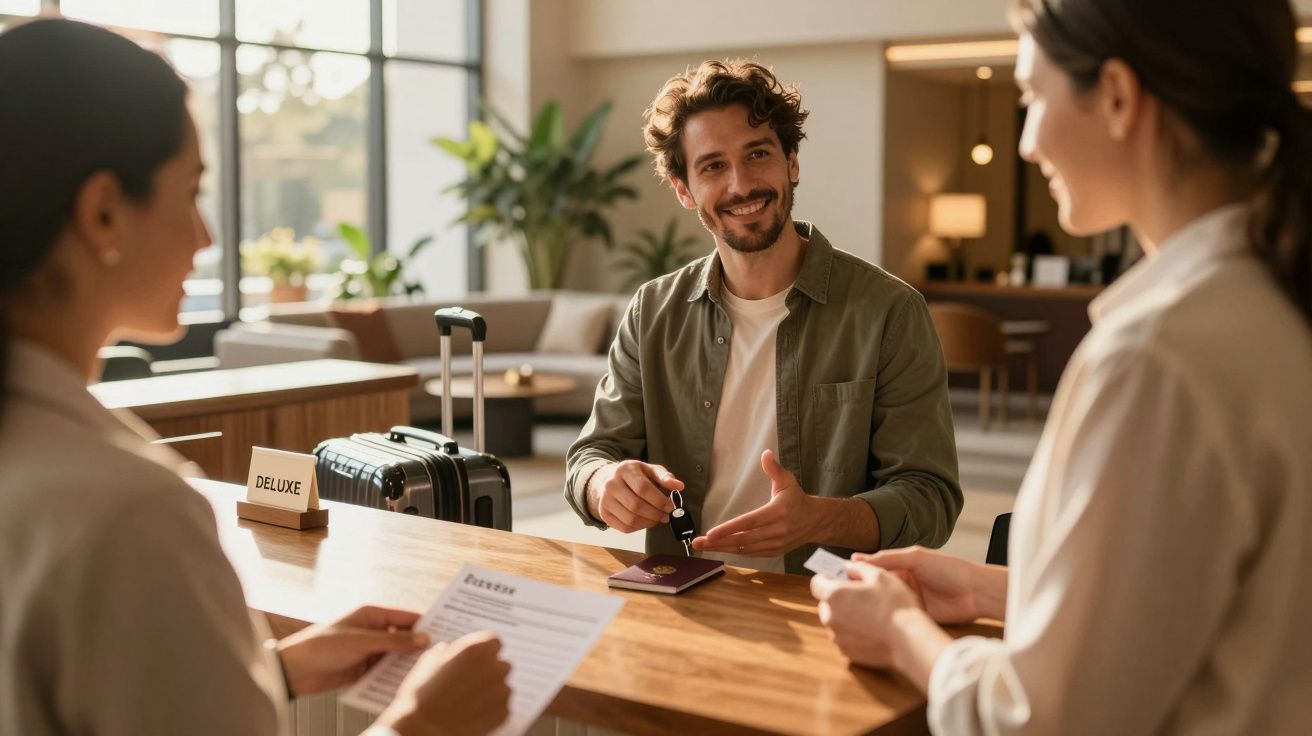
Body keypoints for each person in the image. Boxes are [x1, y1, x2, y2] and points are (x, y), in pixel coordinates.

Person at [0, 19, 511, 736]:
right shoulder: (129, 510)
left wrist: (268, 670)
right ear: (105, 212)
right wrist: (423, 724)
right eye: (192, 192)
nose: (206, 237)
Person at [812, 1, 1312, 733]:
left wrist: (900, 634)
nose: (1025, 141)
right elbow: (1193, 601)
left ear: (1116, 96)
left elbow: (1043, 721)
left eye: (1031, 97)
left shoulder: (1157, 359)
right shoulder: (1263, 304)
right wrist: (992, 592)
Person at [565, 60, 962, 574]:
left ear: (791, 161)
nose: (741, 185)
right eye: (712, 166)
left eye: (758, 154)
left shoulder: (889, 312)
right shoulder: (653, 311)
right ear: (684, 189)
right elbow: (590, 456)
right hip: (682, 594)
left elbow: (931, 500)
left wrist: (821, 519)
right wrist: (604, 485)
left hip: (826, 602)